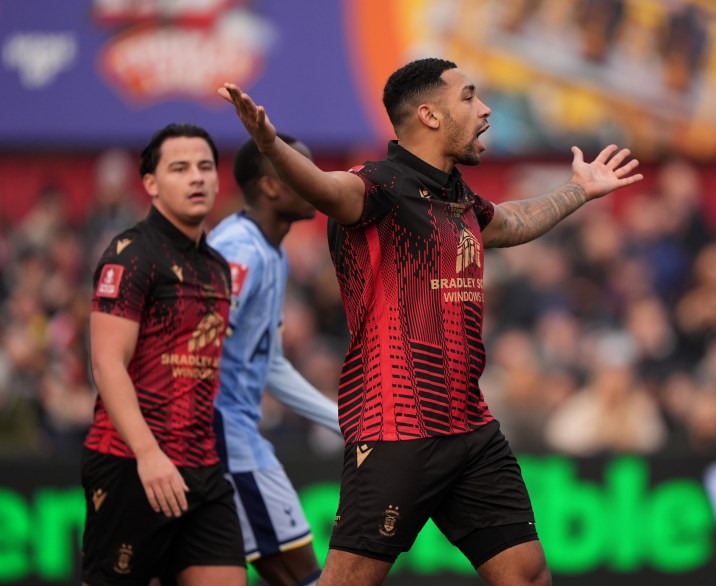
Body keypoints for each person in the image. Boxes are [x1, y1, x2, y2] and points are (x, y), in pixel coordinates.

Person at [218, 56, 643, 586]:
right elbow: (326, 189)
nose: (485, 109)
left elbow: (512, 220)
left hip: (470, 426)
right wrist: (270, 145)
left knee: (527, 574)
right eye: (468, 97)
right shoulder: (375, 188)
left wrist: (579, 190)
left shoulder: (457, 196)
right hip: (397, 427)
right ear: (430, 115)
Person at [81, 123, 246, 586]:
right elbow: (106, 364)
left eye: (205, 167)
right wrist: (148, 454)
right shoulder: (130, 255)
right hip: (133, 462)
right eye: (180, 168)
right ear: (150, 184)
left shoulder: (216, 266)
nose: (196, 177)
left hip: (203, 470)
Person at [208, 135, 342, 586]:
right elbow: (195, 345)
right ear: (269, 187)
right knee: (301, 574)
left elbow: (269, 364)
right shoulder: (240, 250)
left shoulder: (271, 251)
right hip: (224, 440)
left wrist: (342, 420)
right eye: (298, 172)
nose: (313, 182)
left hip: (226, 436)